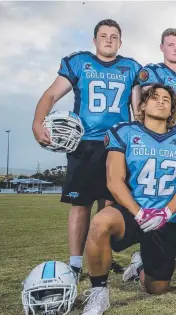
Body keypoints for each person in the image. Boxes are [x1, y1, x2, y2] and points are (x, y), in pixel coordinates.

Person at [31, 19, 142, 279]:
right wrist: (38, 123)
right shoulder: (80, 62)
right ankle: (76, 263)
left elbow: (137, 111)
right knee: (80, 204)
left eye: (114, 36)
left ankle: (101, 257)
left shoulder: (131, 68)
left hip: (116, 145)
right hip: (85, 143)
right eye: (104, 36)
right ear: (94, 40)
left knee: (109, 204)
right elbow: (50, 95)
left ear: (120, 41)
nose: (109, 40)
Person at [79, 84, 176, 315]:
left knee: (158, 288)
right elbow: (114, 180)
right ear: (142, 105)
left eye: (167, 99)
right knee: (100, 222)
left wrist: (165, 213)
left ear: (173, 109)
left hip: (166, 217)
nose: (162, 102)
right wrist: (139, 213)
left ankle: (140, 265)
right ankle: (98, 292)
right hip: (131, 212)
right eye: (155, 98)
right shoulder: (124, 132)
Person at [128, 28, 176, 272]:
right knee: (151, 192)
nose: (175, 48)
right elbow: (141, 101)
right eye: (171, 44)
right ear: (162, 47)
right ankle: (141, 251)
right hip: (158, 142)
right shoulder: (153, 72)